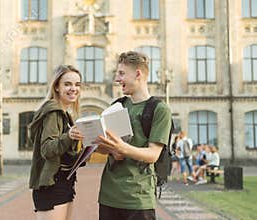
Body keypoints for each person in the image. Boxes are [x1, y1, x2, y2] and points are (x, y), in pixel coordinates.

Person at [95, 51, 172, 220]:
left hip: (138, 198)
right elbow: (103, 147)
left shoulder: (159, 110)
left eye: (122, 73)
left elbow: (152, 155)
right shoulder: (116, 106)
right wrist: (103, 146)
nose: (117, 79)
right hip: (108, 195)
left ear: (138, 74)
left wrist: (122, 148)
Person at [28, 65, 84, 220]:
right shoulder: (53, 112)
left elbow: (64, 153)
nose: (74, 89)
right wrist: (69, 136)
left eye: (77, 84)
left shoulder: (66, 115)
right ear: (57, 87)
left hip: (64, 182)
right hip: (51, 185)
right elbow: (46, 149)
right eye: (67, 84)